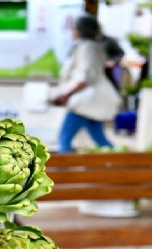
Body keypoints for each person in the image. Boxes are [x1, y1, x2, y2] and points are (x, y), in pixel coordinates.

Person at [53, 15, 122, 153]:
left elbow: (85, 77)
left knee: (64, 137)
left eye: (74, 28)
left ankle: (64, 172)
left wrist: (66, 95)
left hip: (83, 100)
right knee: (99, 138)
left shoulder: (87, 47)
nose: (72, 31)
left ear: (80, 30)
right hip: (90, 100)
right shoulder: (89, 46)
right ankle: (118, 164)